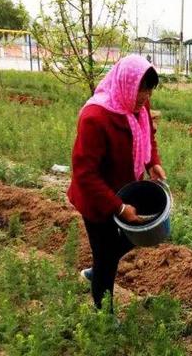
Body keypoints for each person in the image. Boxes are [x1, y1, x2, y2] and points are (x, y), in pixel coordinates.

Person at [67, 55, 166, 311]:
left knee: (140, 234)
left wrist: (152, 162)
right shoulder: (95, 118)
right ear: (126, 84)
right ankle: (103, 315)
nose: (144, 99)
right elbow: (84, 174)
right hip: (96, 199)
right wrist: (119, 207)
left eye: (148, 92)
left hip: (124, 187)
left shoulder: (137, 103)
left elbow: (148, 135)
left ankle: (99, 266)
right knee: (107, 257)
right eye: (140, 92)